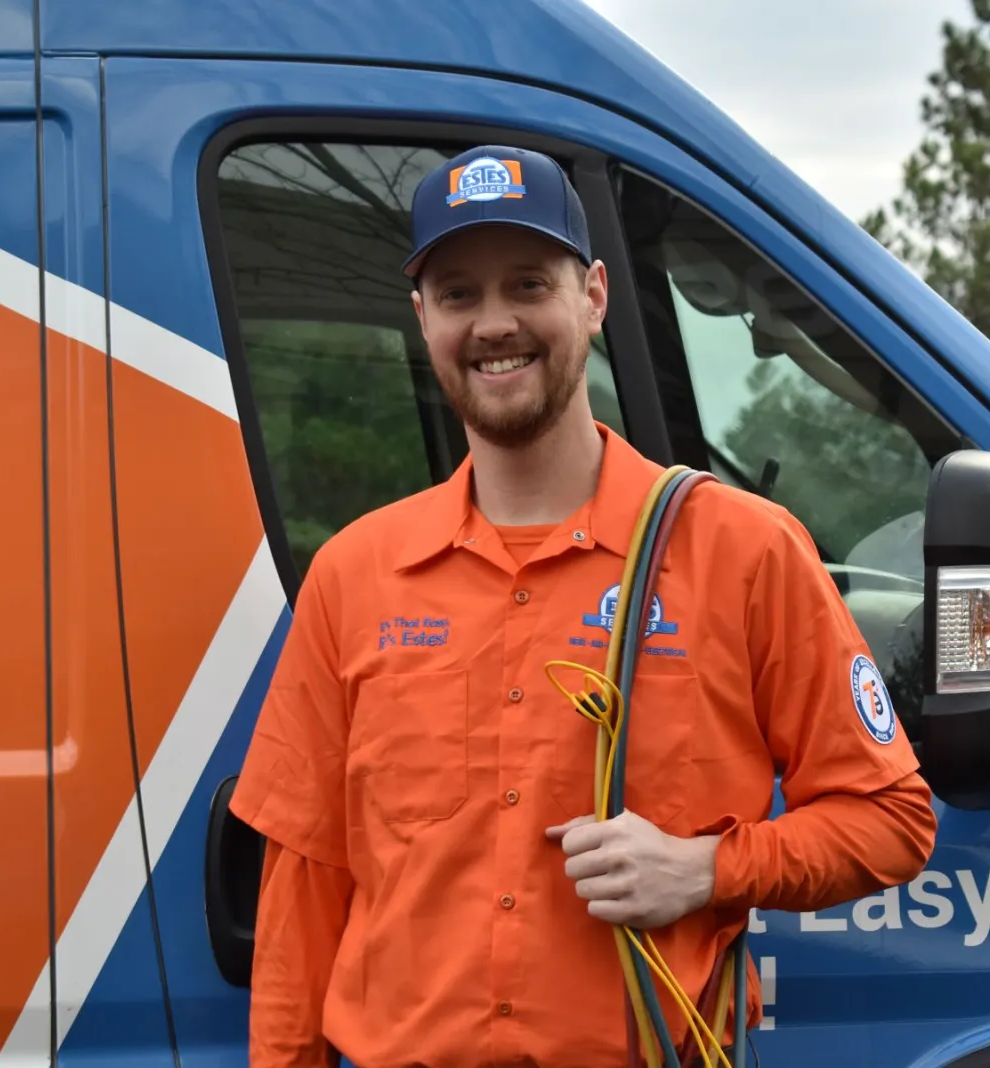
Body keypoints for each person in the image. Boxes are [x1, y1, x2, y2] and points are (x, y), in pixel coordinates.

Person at [229, 144, 938, 1068]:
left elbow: (890, 819)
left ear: (593, 297)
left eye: (529, 284)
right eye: (458, 295)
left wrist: (706, 870)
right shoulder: (354, 575)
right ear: (422, 319)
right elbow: (306, 891)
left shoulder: (744, 550)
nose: (495, 324)